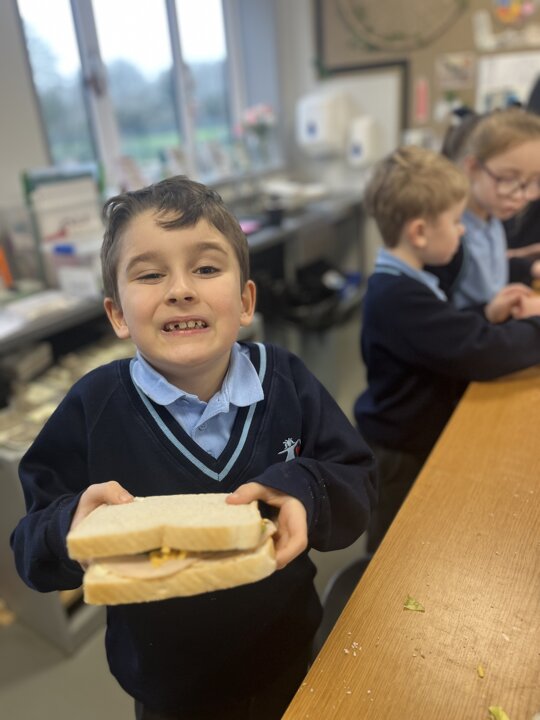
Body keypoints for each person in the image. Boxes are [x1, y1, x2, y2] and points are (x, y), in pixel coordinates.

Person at [10, 176, 377, 720]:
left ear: (246, 300)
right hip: (167, 688)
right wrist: (70, 527)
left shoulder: (287, 380)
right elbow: (29, 546)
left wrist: (305, 490)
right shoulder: (93, 406)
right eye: (150, 274)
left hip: (286, 656)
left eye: (206, 268)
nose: (180, 289)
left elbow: (357, 479)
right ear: (117, 314)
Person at [354, 146, 540, 555]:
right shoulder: (398, 296)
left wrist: (485, 312)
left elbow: (442, 333)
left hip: (411, 433)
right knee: (393, 547)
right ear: (420, 232)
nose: (462, 231)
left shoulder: (408, 279)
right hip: (399, 449)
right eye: (456, 222)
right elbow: (478, 351)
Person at [431, 106, 540, 302]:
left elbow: (489, 273)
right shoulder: (449, 236)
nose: (521, 196)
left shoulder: (491, 217)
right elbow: (437, 315)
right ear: (473, 168)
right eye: (508, 179)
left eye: (534, 181)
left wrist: (529, 267)